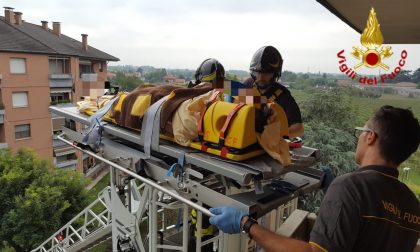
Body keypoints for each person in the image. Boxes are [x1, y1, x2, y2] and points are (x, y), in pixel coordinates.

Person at [209, 105, 420, 252]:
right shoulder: (412, 203)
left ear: (370, 136)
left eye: (361, 132)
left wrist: (247, 225)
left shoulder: (350, 187)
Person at [245, 45, 304, 137]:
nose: (260, 78)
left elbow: (298, 129)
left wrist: (273, 135)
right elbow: (236, 103)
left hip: (268, 145)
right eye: (257, 73)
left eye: (266, 73)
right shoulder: (248, 84)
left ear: (275, 74)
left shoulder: (283, 96)